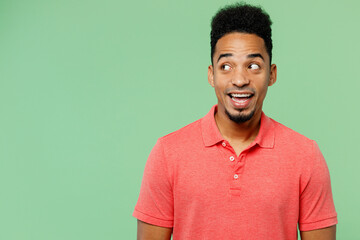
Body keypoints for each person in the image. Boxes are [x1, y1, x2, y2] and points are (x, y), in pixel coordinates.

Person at [133, 3, 338, 240]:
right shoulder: (167, 154)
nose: (239, 79)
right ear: (212, 74)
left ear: (271, 74)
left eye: (253, 66)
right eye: (226, 66)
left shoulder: (306, 156)